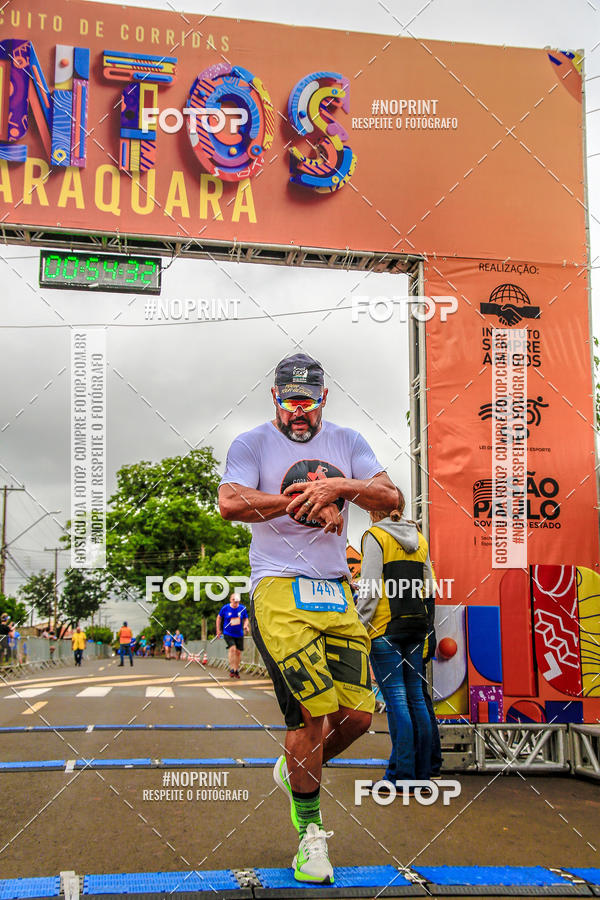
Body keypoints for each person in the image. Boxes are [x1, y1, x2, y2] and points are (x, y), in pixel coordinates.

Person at [219, 351, 397, 884]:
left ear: (324, 400)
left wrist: (339, 488)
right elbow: (230, 503)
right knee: (310, 715)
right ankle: (310, 836)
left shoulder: (348, 441)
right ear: (275, 398)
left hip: (334, 590)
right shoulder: (251, 443)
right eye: (291, 401)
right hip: (276, 588)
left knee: (360, 717)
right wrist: (299, 498)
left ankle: (292, 770)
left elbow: (390, 497)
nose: (300, 412)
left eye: (309, 402)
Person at [356, 490, 434, 787]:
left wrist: (360, 626)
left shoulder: (374, 536)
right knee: (415, 697)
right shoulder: (420, 538)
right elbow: (429, 587)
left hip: (384, 629)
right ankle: (422, 773)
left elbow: (370, 588)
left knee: (397, 700)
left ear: (375, 510)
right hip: (415, 626)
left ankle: (400, 775)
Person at [216, 592, 250, 678]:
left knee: (238, 652)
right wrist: (218, 630)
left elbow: (246, 618)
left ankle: (236, 669)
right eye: (234, 601)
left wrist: (246, 625)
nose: (236, 604)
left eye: (237, 602)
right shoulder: (225, 608)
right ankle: (231, 669)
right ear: (231, 600)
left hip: (239, 633)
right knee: (232, 649)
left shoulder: (242, 608)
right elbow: (219, 618)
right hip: (228, 632)